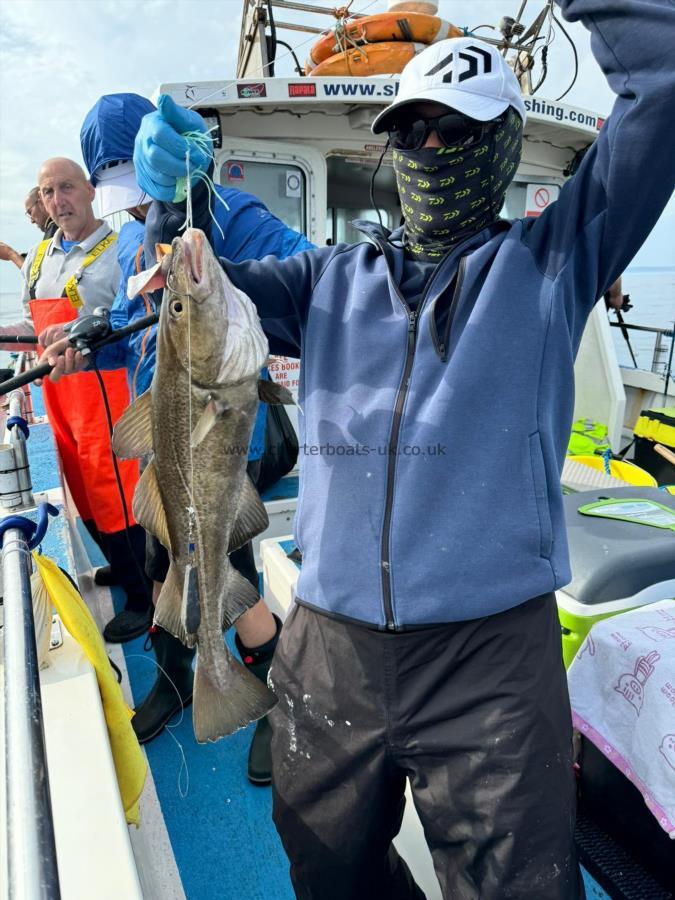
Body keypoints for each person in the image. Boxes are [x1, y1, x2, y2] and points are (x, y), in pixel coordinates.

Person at [135, 0, 675, 894]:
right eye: (411, 132)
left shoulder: (552, 262)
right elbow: (209, 295)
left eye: (453, 131)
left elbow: (660, 81)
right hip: (329, 643)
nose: (428, 150)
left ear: (501, 144)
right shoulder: (327, 277)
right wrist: (175, 208)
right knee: (326, 864)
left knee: (518, 885)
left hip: (491, 662)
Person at [50, 92, 314, 784]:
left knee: (236, 577)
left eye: (134, 192)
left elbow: (315, 271)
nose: (132, 208)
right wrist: (89, 338)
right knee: (166, 567)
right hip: (164, 433)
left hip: (221, 437)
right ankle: (176, 680)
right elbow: (150, 334)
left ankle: (274, 701)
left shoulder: (224, 216)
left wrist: (213, 222)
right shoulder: (145, 232)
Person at [0, 158, 153, 643]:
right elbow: (33, 325)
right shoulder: (42, 256)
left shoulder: (119, 249)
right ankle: (120, 566)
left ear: (90, 191)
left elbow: (133, 319)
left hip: (104, 391)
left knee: (117, 493)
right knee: (81, 490)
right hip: (58, 395)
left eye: (67, 188)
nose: (57, 200)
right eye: (48, 192)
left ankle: (145, 593)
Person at [0, 187, 58, 270]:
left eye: (30, 212)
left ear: (41, 201)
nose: (32, 221)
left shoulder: (55, 228)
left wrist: (10, 254)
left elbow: (38, 274)